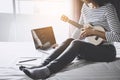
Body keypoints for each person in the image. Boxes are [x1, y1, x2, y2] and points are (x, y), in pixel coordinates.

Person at [19, 0, 120, 79]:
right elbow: (79, 27)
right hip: (91, 48)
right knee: (70, 40)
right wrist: (67, 44)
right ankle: (42, 65)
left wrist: (94, 32)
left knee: (77, 43)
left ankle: (47, 70)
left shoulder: (108, 8)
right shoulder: (85, 7)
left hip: (107, 51)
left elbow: (118, 36)